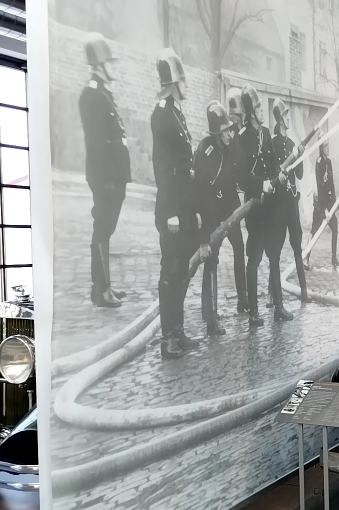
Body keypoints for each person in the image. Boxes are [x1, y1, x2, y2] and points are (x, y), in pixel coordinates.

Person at [151, 48, 206, 359]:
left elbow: (186, 168)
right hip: (171, 207)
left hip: (184, 204)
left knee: (182, 268)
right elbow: (163, 167)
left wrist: (193, 209)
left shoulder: (176, 112)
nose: (186, 85)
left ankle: (179, 331)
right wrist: (172, 211)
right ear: (173, 83)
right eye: (182, 80)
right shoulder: (161, 114)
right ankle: (167, 339)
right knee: (170, 271)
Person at [228, 84, 293, 324]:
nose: (262, 111)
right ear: (250, 112)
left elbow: (274, 164)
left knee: (274, 255)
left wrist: (279, 176)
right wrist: (261, 184)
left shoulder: (265, 133)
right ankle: (254, 311)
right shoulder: (242, 138)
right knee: (254, 259)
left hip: (271, 207)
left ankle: (278, 307)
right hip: (255, 207)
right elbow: (241, 177)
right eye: (257, 108)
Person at [79, 32, 130, 308]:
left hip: (114, 176)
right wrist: (107, 179)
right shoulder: (91, 95)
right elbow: (96, 143)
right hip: (105, 178)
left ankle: (105, 285)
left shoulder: (103, 93)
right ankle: (100, 291)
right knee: (101, 229)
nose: (114, 67)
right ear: (98, 64)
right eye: (110, 62)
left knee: (106, 230)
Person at [192, 101, 236, 336]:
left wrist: (226, 219)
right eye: (226, 130)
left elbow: (227, 187)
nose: (230, 134)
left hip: (217, 215)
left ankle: (209, 314)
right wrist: (202, 237)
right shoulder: (205, 150)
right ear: (217, 132)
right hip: (203, 217)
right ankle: (209, 319)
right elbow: (198, 192)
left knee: (212, 262)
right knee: (199, 265)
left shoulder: (224, 151)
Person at [269, 99, 308, 303]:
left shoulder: (292, 145)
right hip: (278, 205)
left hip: (291, 203)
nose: (288, 118)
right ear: (279, 119)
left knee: (297, 245)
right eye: (285, 115)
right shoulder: (272, 144)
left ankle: (304, 291)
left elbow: (299, 174)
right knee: (275, 249)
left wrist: (300, 156)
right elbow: (271, 172)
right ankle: (272, 294)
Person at [309, 135, 339, 268]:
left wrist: (334, 203)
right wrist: (325, 209)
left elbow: (331, 184)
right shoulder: (319, 162)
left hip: (328, 203)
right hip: (320, 205)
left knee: (335, 227)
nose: (327, 148)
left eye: (328, 146)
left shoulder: (329, 162)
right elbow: (320, 187)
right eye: (325, 146)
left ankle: (334, 257)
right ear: (321, 148)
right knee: (314, 231)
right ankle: (306, 257)